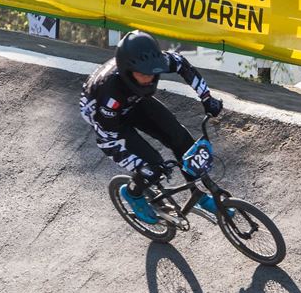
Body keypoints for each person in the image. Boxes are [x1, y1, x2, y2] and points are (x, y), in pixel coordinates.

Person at [79, 30, 224, 222]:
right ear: (127, 71)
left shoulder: (153, 61)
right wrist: (141, 167)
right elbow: (107, 140)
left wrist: (206, 97)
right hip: (109, 122)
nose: (149, 78)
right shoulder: (109, 95)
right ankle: (132, 193)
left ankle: (199, 196)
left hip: (133, 102)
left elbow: (182, 64)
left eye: (152, 73)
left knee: (181, 140)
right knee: (153, 166)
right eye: (142, 74)